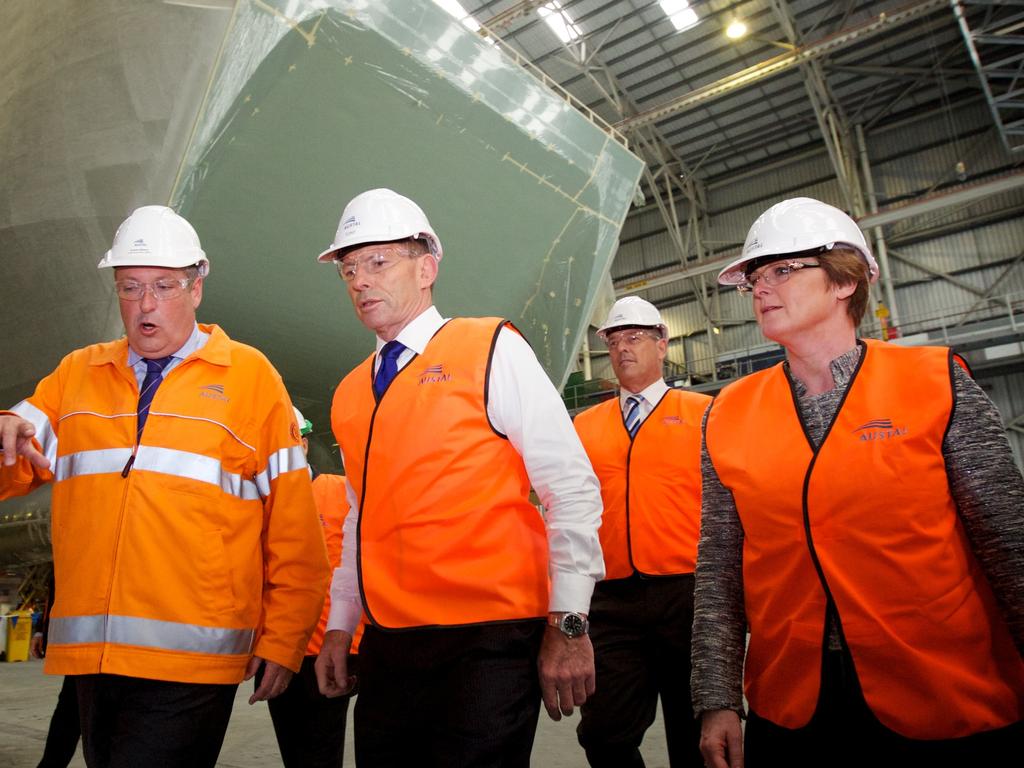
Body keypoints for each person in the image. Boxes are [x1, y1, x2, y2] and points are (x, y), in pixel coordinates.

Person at [691, 197, 1024, 768]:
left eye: (783, 270)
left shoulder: (934, 381)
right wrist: (717, 698)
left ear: (845, 281)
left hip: (943, 691)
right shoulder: (727, 412)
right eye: (754, 278)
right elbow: (720, 566)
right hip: (795, 702)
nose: (762, 288)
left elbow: (1009, 543)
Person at [0, 205, 330, 767]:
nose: (145, 305)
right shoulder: (77, 374)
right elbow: (17, 456)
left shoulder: (251, 380)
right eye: (130, 287)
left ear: (197, 286)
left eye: (163, 286)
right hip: (92, 660)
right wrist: (4, 427)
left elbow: (295, 528)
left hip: (190, 665)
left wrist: (285, 639)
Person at [313, 188, 605, 767]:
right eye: (348, 269)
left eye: (377, 262)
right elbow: (357, 520)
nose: (360, 281)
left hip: (488, 640)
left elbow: (569, 487)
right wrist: (341, 624)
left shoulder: (490, 347)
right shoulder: (350, 393)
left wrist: (569, 621)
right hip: (391, 643)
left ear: (427, 268)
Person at [573, 296, 710, 768]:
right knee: (603, 732)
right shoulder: (584, 426)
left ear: (661, 344)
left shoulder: (704, 414)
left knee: (697, 731)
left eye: (634, 338)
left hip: (687, 594)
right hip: (609, 600)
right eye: (614, 341)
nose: (622, 349)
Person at [259, 407, 356, 768]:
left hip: (338, 644)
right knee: (300, 752)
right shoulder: (258, 501)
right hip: (284, 648)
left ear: (303, 443)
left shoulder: (339, 491)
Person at [31, 569, 80, 768]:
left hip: (122, 650)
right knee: (70, 713)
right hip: (85, 648)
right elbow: (59, 588)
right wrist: (42, 630)